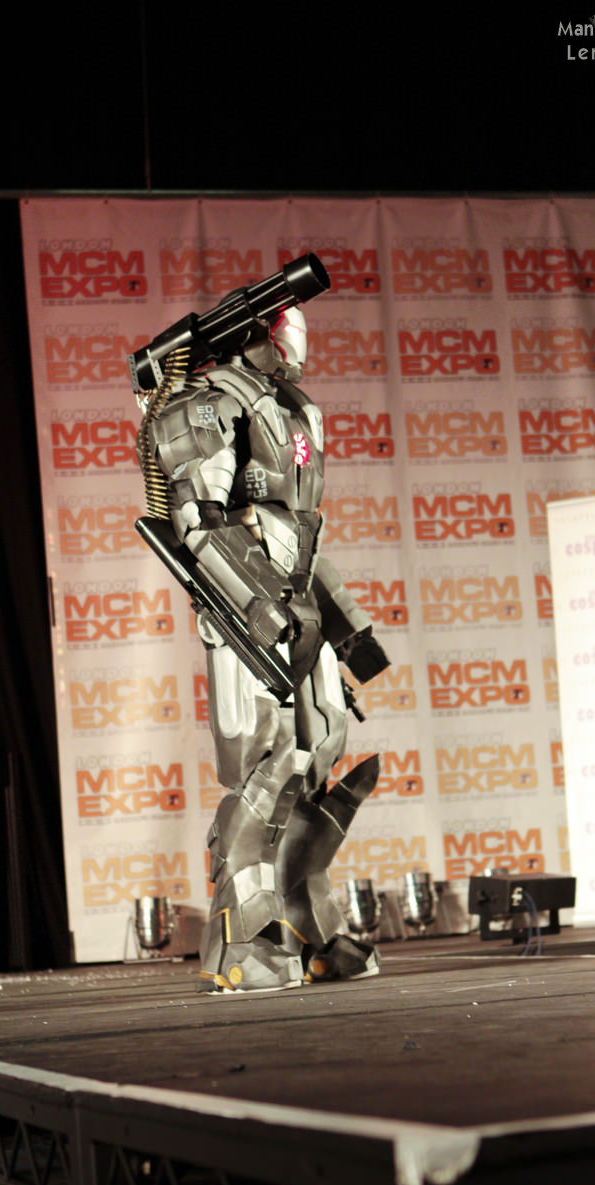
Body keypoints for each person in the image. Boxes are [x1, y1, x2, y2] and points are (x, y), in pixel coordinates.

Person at [136, 290, 389, 994]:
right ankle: (239, 939)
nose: (294, 339)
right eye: (282, 325)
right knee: (267, 764)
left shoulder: (291, 407)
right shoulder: (208, 403)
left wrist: (349, 628)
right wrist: (259, 604)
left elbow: (301, 534)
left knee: (318, 753)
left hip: (296, 600)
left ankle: (308, 925)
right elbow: (198, 523)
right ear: (253, 334)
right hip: (247, 611)